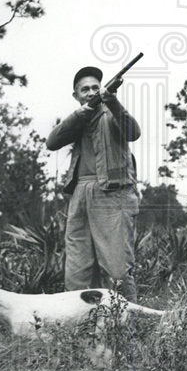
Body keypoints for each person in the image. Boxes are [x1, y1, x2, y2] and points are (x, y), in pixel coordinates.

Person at [46, 65, 141, 301]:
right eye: (84, 89)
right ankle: (81, 325)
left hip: (112, 193)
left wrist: (113, 103)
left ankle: (129, 326)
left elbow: (134, 132)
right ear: (76, 95)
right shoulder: (78, 119)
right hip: (79, 195)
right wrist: (83, 112)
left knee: (117, 268)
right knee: (77, 270)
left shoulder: (112, 114)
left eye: (95, 88)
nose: (90, 92)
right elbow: (52, 142)